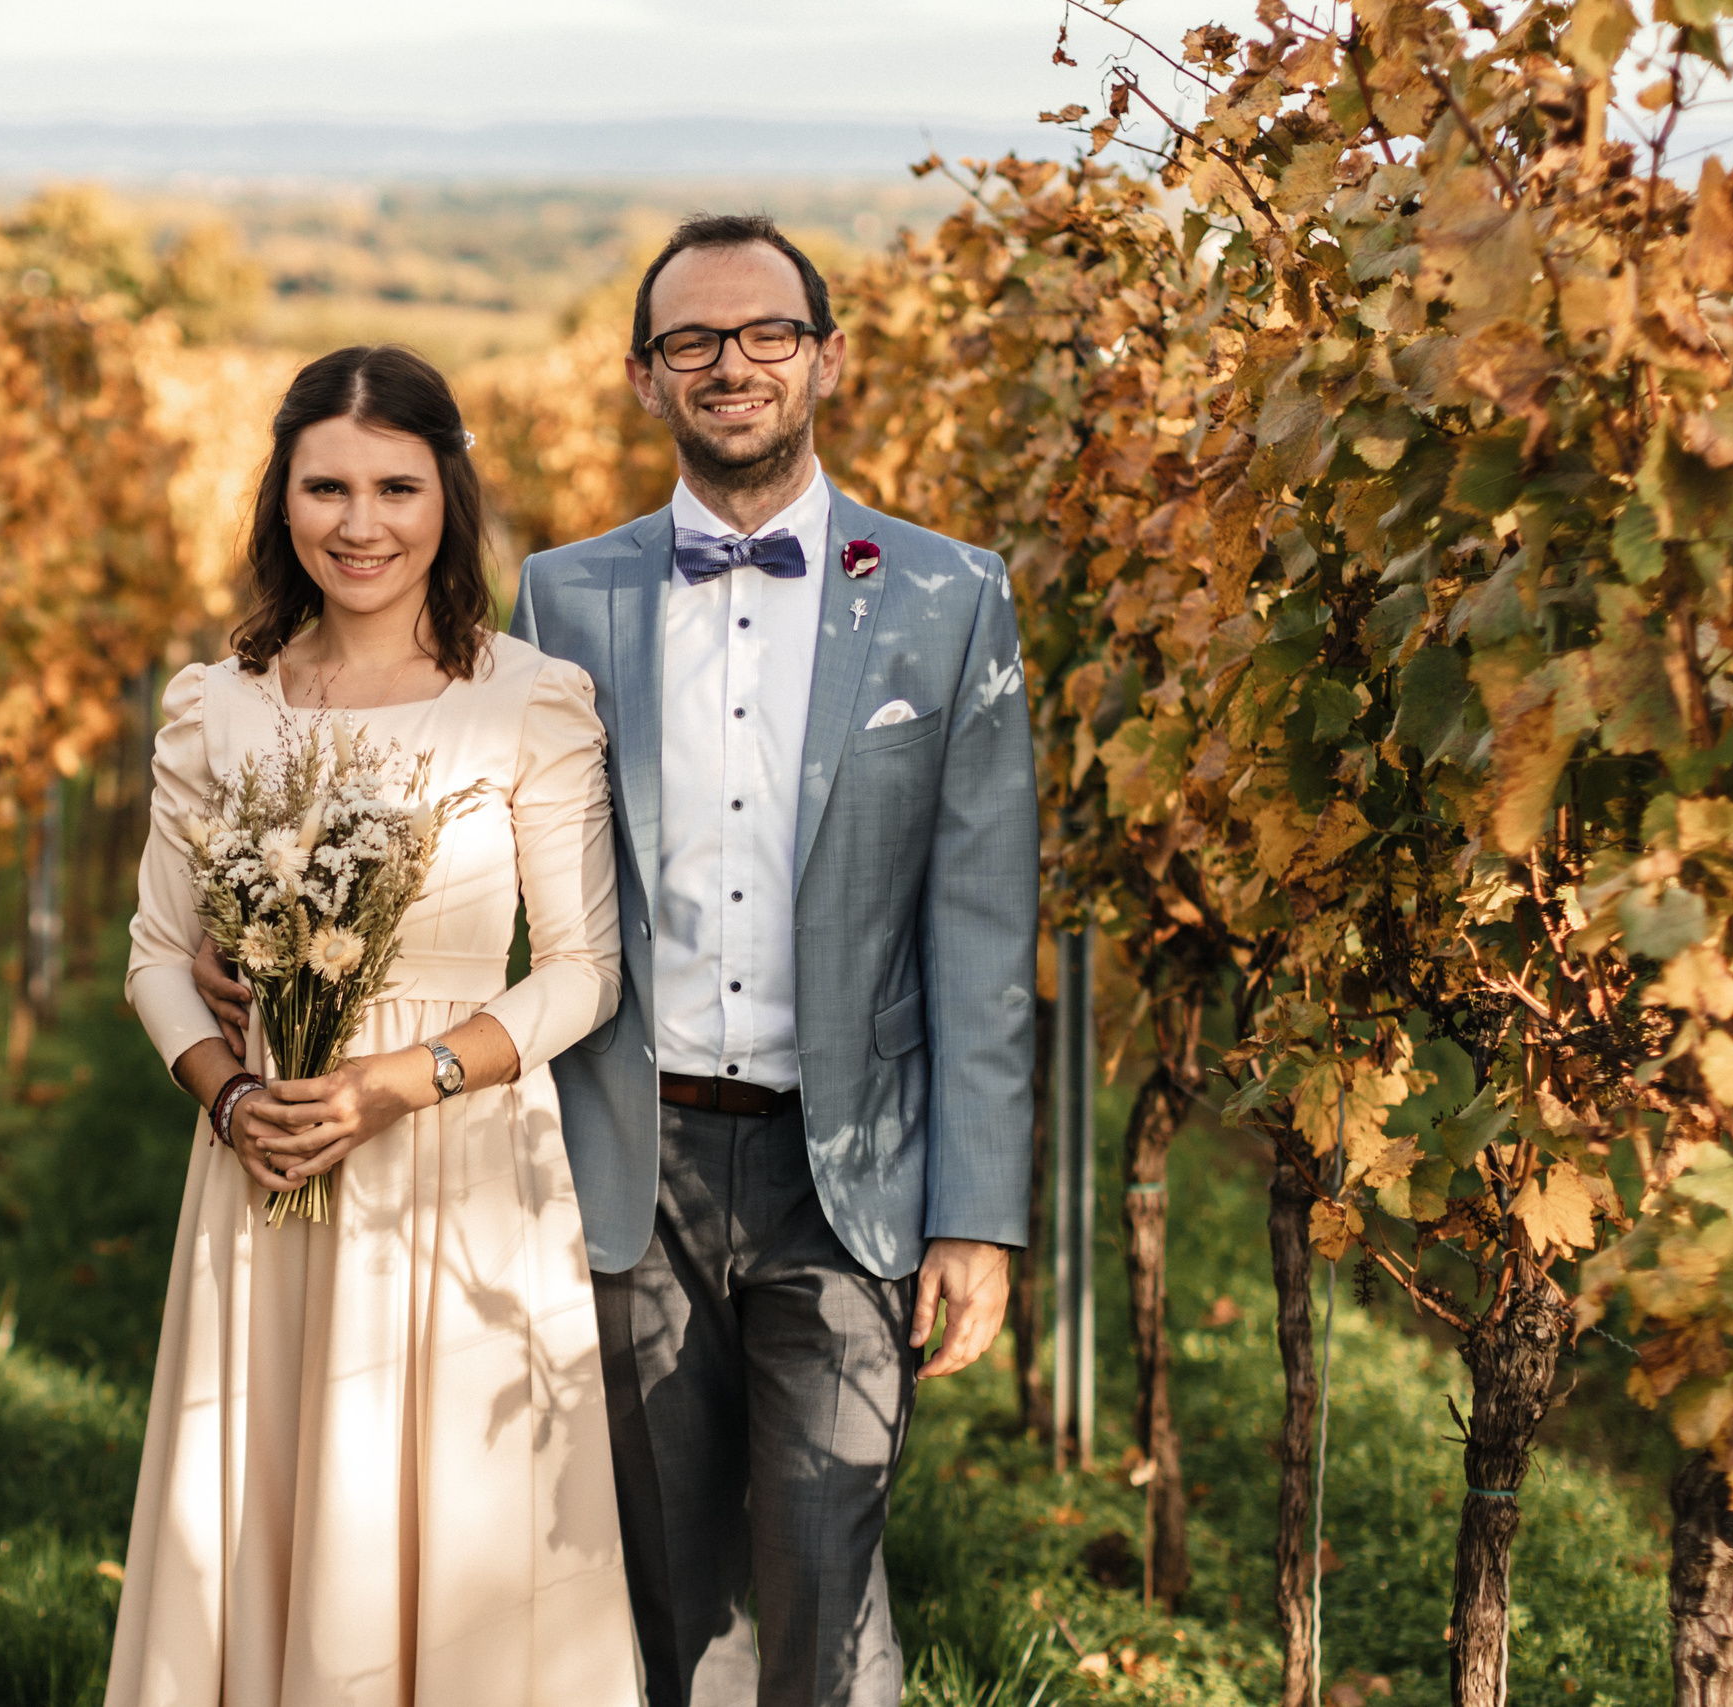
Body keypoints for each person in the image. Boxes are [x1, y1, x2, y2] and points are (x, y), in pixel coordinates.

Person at [504, 213, 1038, 1705]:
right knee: (667, 1594)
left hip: (846, 1164)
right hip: (634, 1153)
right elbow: (501, 871)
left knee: (821, 1560)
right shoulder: (563, 597)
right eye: (693, 342)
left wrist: (978, 1216)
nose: (730, 365)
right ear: (643, 379)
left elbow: (985, 925)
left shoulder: (949, 596)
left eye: (766, 335)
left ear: (827, 360)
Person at [111, 344, 639, 1707]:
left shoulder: (529, 697)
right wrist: (233, 1098)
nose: (362, 523)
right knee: (277, 1513)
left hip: (462, 1167)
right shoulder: (215, 705)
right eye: (327, 487)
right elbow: (157, 956)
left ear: (448, 499)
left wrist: (401, 1081)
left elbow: (582, 972)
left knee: (462, 1534)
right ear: (281, 501)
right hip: (266, 1168)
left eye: (398, 487)